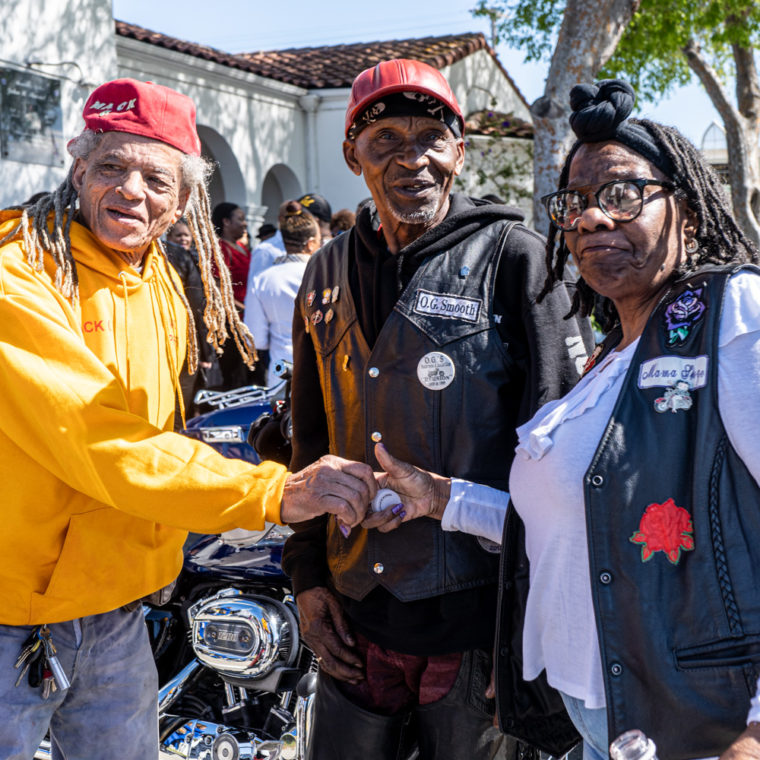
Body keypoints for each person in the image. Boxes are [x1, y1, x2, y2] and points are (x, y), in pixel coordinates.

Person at [367, 80, 760, 760]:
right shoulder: (612, 358)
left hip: (701, 721)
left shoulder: (734, 316)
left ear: (688, 214)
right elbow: (566, 524)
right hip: (597, 712)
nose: (590, 219)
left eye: (621, 194)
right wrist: (440, 499)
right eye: (574, 203)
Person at [0, 77, 378, 760]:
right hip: (8, 612)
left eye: (156, 176)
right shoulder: (17, 276)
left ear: (184, 200)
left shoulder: (161, 282)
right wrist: (273, 491)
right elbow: (101, 438)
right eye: (111, 166)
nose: (132, 191)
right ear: (78, 168)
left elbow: (171, 425)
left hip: (118, 609)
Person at [282, 58, 592, 760]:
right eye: (385, 139)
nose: (411, 159)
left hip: (474, 625)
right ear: (351, 154)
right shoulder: (324, 270)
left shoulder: (516, 258)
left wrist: (526, 628)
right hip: (356, 616)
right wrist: (306, 577)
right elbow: (310, 435)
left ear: (461, 149)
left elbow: (565, 459)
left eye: (431, 137)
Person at [245, 201, 320, 386]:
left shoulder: (263, 279)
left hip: (282, 372)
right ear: (311, 244)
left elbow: (256, 338)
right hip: (322, 369)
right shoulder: (324, 274)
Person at [165, 218, 223, 417]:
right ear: (169, 236)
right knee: (182, 404)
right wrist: (205, 352)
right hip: (183, 337)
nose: (182, 239)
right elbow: (197, 305)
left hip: (176, 335)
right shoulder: (181, 259)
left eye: (186, 235)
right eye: (178, 235)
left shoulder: (190, 259)